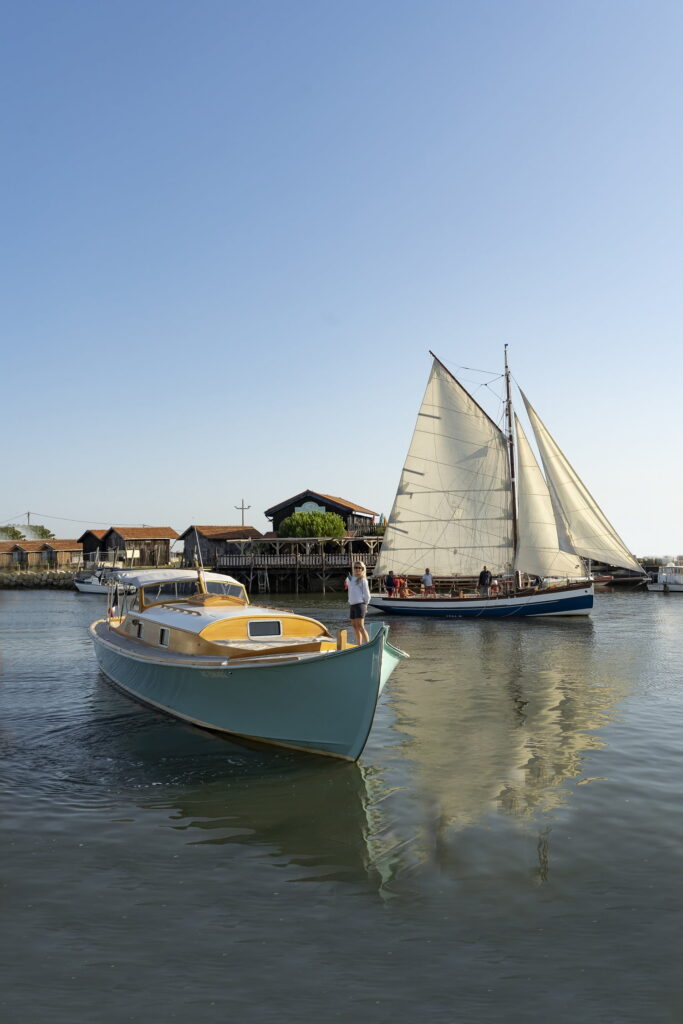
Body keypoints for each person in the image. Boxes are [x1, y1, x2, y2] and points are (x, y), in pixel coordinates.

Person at [346, 561, 370, 645]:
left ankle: (368, 645)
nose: (357, 569)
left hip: (360, 605)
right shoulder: (351, 579)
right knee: (355, 627)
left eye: (359, 567)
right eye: (355, 567)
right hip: (352, 605)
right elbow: (350, 591)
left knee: (360, 627)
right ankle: (358, 646)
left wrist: (366, 605)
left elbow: (367, 595)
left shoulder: (363, 580)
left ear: (362, 569)